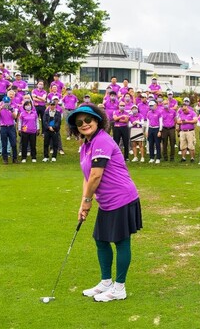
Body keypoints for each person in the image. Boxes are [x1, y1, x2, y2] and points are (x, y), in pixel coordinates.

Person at [67, 104, 142, 302]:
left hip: (122, 197)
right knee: (101, 240)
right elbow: (87, 176)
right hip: (107, 201)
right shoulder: (86, 145)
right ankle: (106, 282)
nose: (84, 124)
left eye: (88, 120)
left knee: (121, 241)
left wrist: (88, 201)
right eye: (79, 123)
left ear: (97, 120)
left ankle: (119, 288)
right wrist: (83, 203)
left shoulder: (102, 141)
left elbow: (96, 175)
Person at [0, 96, 19, 164]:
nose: (6, 104)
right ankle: (5, 159)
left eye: (7, 102)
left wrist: (11, 110)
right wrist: (1, 108)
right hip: (3, 127)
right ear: (3, 102)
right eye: (5, 102)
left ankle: (15, 158)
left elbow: (15, 117)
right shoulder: (0, 108)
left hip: (11, 127)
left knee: (13, 143)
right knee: (4, 144)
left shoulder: (12, 108)